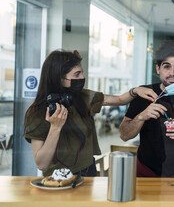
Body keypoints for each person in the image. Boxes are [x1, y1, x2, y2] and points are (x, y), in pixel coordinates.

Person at [24, 50, 157, 177]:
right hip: (59, 178)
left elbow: (119, 100)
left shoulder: (83, 97)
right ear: (59, 78)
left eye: (82, 73)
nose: (83, 77)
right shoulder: (36, 112)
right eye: (76, 74)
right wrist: (55, 127)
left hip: (89, 172)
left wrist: (136, 91)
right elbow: (41, 164)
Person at [119, 40, 174, 177]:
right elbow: (124, 135)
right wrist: (141, 116)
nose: (172, 73)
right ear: (158, 69)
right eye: (167, 67)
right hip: (145, 171)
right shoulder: (144, 93)